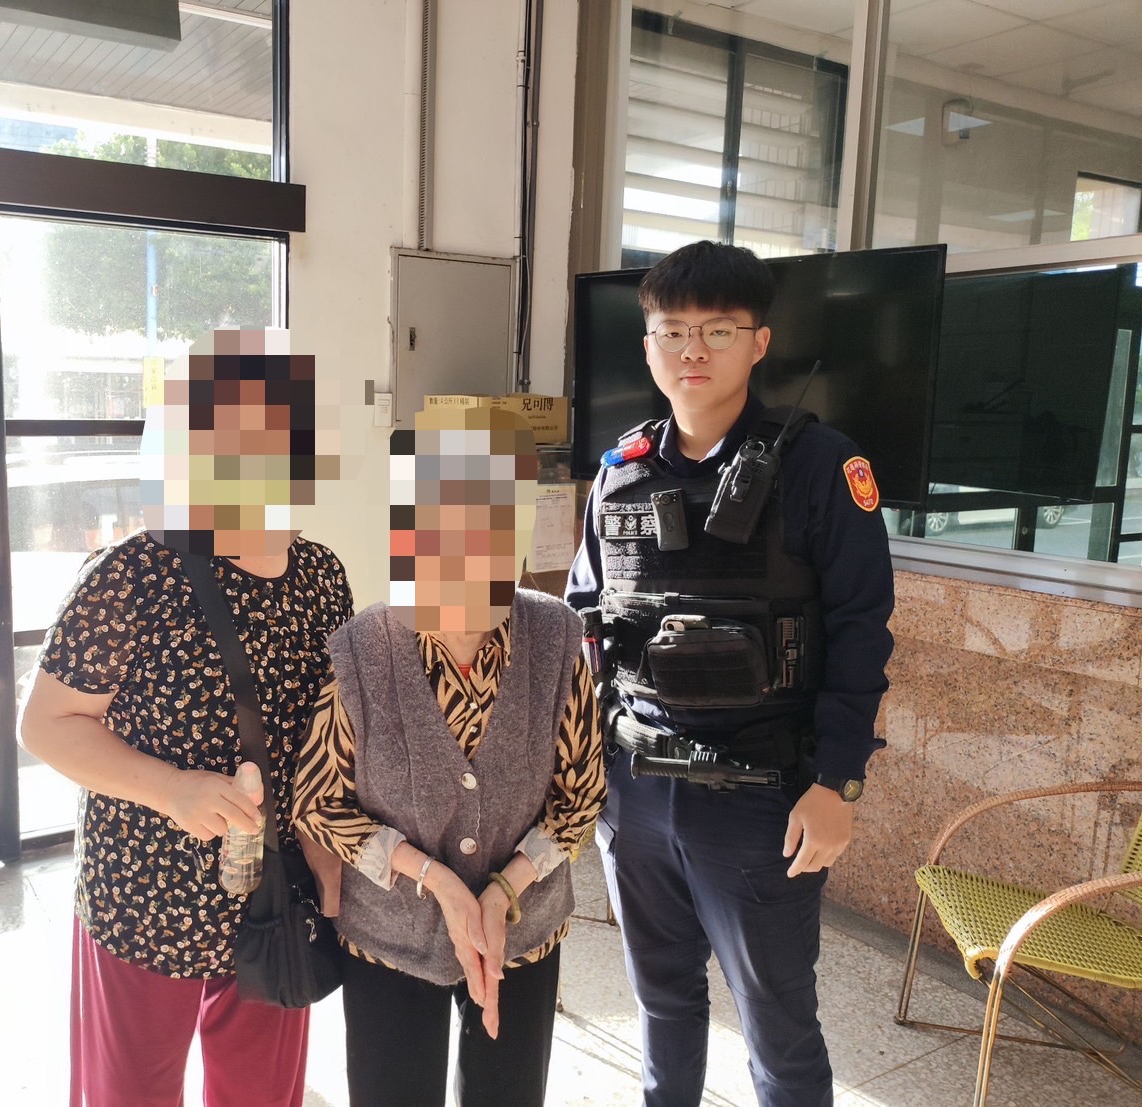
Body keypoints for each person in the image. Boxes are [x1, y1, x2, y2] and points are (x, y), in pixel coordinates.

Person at [564, 241, 895, 1107]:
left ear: (758, 343)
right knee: (661, 1002)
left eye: (717, 330)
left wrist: (838, 782)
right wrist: (582, 771)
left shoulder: (822, 467)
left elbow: (861, 633)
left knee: (776, 1024)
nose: (693, 350)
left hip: (761, 797)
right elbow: (584, 618)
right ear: (648, 346)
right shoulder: (618, 471)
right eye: (673, 331)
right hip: (635, 789)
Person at [20, 328, 353, 1107]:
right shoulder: (135, 572)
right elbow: (45, 723)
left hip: (276, 894)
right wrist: (172, 788)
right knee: (128, 1093)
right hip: (144, 893)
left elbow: (326, 735)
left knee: (262, 1094)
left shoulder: (321, 576)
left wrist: (327, 853)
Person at [293, 405, 606, 1107]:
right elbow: (318, 803)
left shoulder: (556, 636)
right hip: (390, 936)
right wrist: (434, 878)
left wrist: (502, 891)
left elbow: (581, 797)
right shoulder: (361, 650)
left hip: (523, 930)